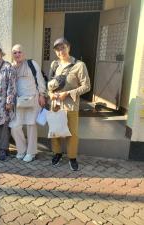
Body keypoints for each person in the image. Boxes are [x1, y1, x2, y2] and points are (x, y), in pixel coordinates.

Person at [48, 37, 90, 171]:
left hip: (70, 105)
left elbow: (87, 86)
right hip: (55, 104)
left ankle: (72, 157)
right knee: (55, 131)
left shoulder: (79, 65)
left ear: (68, 48)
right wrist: (50, 94)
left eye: (63, 48)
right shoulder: (54, 65)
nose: (61, 51)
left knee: (72, 133)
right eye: (58, 49)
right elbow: (49, 86)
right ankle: (57, 153)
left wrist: (68, 93)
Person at [9, 44, 46, 162]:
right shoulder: (12, 67)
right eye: (14, 52)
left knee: (31, 126)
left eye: (19, 52)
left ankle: (31, 152)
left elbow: (40, 80)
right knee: (15, 126)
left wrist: (42, 95)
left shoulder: (32, 64)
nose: (17, 54)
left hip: (33, 99)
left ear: (23, 53)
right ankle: (21, 149)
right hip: (19, 102)